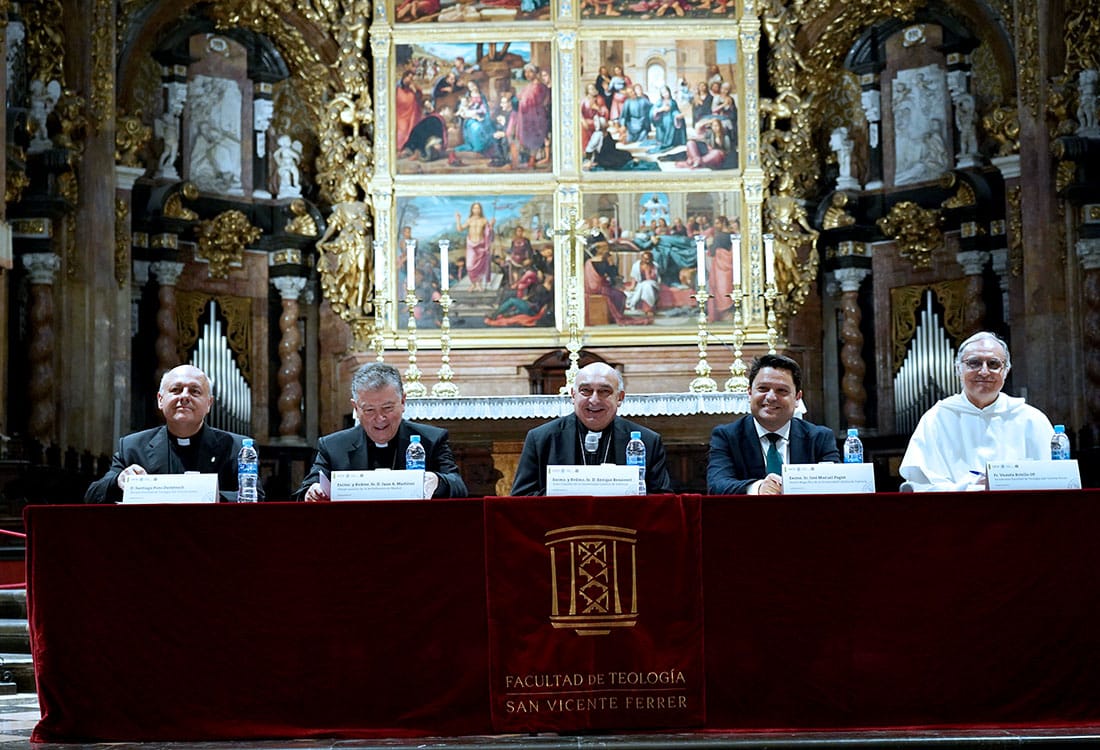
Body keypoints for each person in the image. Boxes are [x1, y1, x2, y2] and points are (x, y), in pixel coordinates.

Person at [899, 331, 1055, 492]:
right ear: (958, 369)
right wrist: (971, 488)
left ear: (1006, 371)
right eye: (974, 363)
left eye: (993, 364)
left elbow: (1055, 480)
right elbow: (920, 487)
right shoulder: (936, 419)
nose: (984, 372)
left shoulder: (1032, 419)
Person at [85, 364, 261, 503]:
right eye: (175, 390)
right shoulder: (132, 447)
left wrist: (205, 495)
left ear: (209, 403)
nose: (184, 397)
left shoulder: (237, 448)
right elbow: (92, 496)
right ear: (160, 400)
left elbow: (256, 497)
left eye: (195, 391)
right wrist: (118, 480)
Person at [296, 363, 467, 501]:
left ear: (403, 401)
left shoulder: (431, 440)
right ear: (356, 408)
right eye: (369, 410)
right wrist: (313, 492)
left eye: (388, 408)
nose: (380, 418)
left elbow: (459, 487)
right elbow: (305, 490)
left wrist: (437, 481)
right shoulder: (333, 447)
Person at [510, 363, 673, 496]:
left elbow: (663, 501)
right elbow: (521, 498)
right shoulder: (541, 439)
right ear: (573, 395)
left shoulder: (647, 441)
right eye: (585, 391)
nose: (594, 400)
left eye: (604, 391)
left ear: (620, 398)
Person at [707, 354, 839, 495]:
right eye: (763, 388)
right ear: (750, 393)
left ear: (797, 398)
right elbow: (717, 485)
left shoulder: (819, 438)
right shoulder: (727, 437)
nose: (771, 397)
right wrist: (757, 488)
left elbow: (836, 484)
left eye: (782, 391)